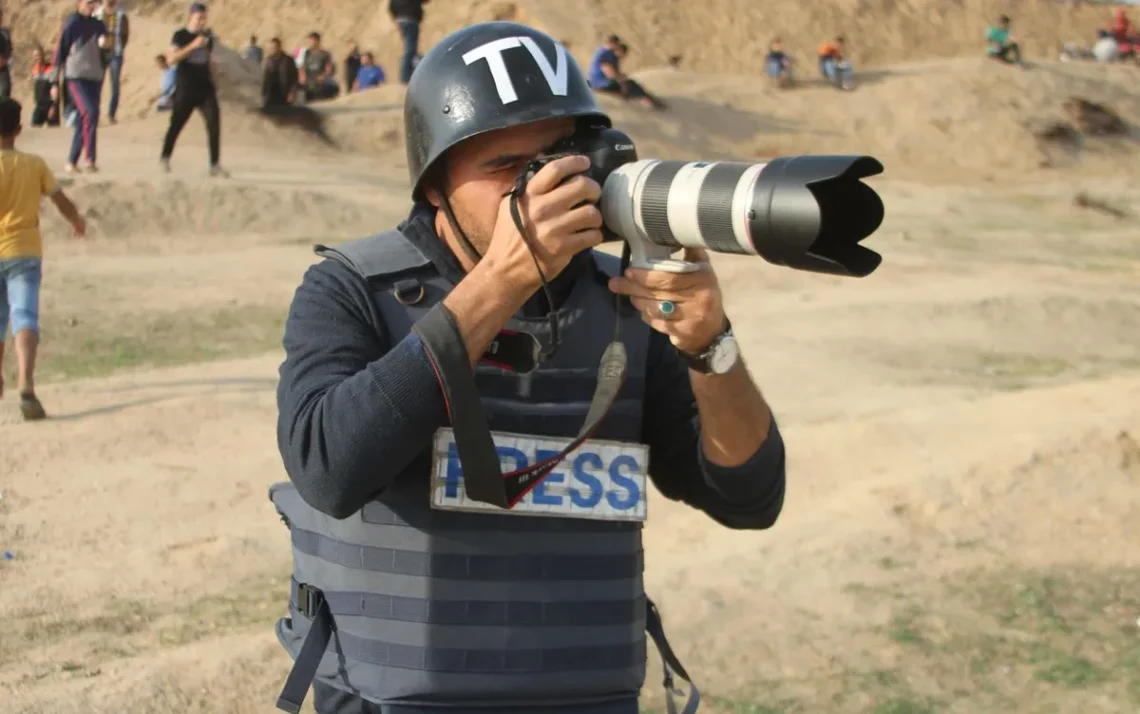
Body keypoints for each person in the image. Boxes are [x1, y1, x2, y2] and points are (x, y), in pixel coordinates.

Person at [271, 20, 784, 714]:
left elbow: (748, 499)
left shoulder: (625, 302)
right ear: (433, 187)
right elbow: (328, 468)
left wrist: (710, 348)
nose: (543, 190)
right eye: (508, 169)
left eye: (557, 160)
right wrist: (501, 283)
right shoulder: (352, 290)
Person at [0, 98, 87, 421]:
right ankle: (26, 381)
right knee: (24, 316)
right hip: (24, 250)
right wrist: (77, 220)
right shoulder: (33, 164)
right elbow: (59, 200)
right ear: (18, 129)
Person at [161, 2, 227, 177]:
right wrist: (192, 46)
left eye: (204, 19)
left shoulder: (208, 38)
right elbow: (171, 59)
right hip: (186, 88)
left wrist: (217, 81)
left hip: (205, 88)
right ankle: (165, 157)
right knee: (176, 124)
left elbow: (209, 61)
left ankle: (214, 165)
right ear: (191, 17)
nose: (202, 22)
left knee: (214, 124)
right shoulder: (180, 35)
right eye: (199, 18)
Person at [55, 0, 111, 173]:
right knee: (90, 113)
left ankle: (71, 161)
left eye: (94, 3)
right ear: (79, 3)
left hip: (94, 77)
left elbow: (108, 46)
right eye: (89, 2)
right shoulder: (73, 22)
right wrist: (53, 81)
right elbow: (60, 51)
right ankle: (90, 160)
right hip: (75, 76)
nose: (92, 5)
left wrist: (107, 34)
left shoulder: (99, 23)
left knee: (85, 119)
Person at [588, 35, 665, 109]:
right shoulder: (605, 54)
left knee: (629, 84)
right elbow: (609, 72)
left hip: (600, 82)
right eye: (617, 45)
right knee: (630, 84)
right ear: (613, 44)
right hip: (600, 83)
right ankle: (647, 100)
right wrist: (622, 83)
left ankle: (645, 98)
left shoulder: (606, 52)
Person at [93, 0, 129, 124]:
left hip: (115, 53)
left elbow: (125, 35)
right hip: (99, 53)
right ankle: (95, 115)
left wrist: (118, 47)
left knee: (115, 85)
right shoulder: (97, 14)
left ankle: (111, 114)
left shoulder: (121, 14)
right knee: (97, 84)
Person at [389, 0, 427, 84]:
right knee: (410, 49)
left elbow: (391, 7)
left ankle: (409, 74)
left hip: (401, 20)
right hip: (411, 20)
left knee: (410, 48)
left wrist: (396, 18)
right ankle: (405, 77)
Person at [299, 32, 338, 102]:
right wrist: (302, 76)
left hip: (320, 84)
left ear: (317, 41)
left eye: (311, 41)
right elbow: (302, 67)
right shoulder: (306, 53)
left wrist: (323, 76)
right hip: (308, 84)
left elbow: (329, 69)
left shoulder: (324, 54)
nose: (309, 43)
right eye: (308, 41)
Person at [262, 37, 298, 109]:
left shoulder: (288, 60)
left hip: (284, 94)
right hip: (271, 96)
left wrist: (292, 92)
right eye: (271, 48)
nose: (272, 49)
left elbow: (295, 77)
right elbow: (265, 79)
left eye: (274, 47)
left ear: (279, 47)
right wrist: (264, 94)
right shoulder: (268, 61)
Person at [30, 48, 61, 127]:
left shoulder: (50, 69)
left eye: (39, 55)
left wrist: (54, 106)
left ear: (43, 55)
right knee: (34, 128)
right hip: (39, 105)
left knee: (54, 132)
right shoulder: (35, 70)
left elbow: (55, 89)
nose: (37, 58)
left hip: (49, 105)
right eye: (35, 56)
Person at [0, 9, 11, 100]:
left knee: (5, 92)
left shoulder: (5, 33)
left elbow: (9, 49)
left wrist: (4, 59)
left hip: (3, 68)